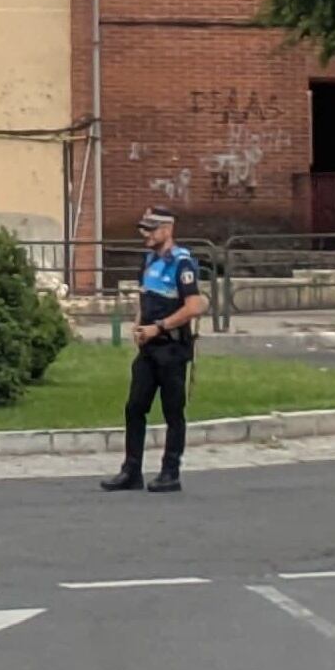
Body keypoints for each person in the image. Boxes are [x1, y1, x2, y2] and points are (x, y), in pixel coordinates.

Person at [105, 207, 205, 495]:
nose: (145, 235)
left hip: (172, 347)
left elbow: (195, 306)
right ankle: (131, 470)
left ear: (167, 229)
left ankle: (170, 472)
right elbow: (144, 296)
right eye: (144, 229)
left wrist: (158, 327)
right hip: (148, 347)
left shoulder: (182, 263)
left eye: (151, 229)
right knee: (134, 407)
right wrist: (138, 325)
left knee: (173, 411)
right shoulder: (148, 261)